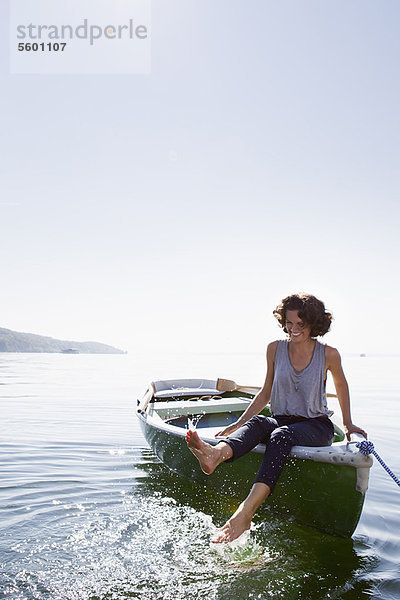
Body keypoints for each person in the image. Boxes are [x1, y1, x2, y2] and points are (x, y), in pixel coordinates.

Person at [185, 293, 367, 543]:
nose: (293, 329)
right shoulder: (274, 349)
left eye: (300, 324)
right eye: (289, 323)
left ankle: (245, 513)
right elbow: (265, 392)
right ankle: (215, 455)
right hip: (281, 418)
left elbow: (342, 387)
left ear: (313, 324)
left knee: (280, 436)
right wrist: (238, 424)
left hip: (316, 425)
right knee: (259, 423)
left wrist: (348, 424)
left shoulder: (329, 354)